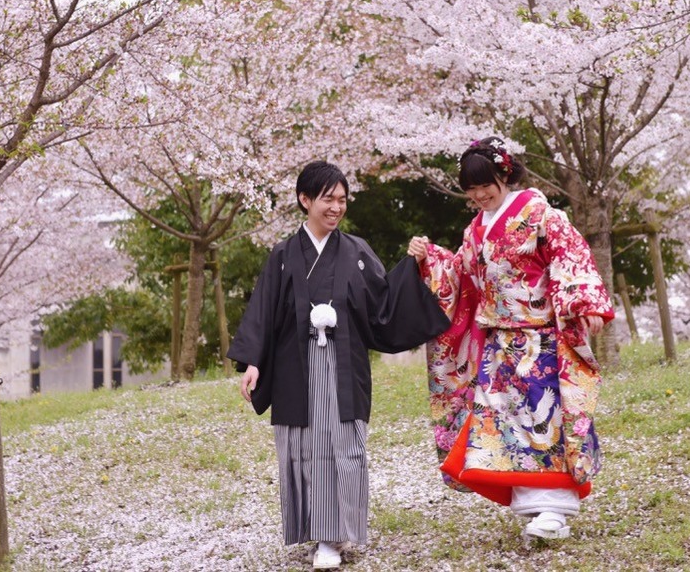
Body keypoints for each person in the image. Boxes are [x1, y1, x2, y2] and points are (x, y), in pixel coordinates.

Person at [228, 161, 449, 570]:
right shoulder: (282, 256)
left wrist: (413, 266)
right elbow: (263, 312)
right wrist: (252, 362)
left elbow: (385, 305)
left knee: (344, 446)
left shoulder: (357, 252)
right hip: (297, 366)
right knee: (304, 447)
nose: (336, 207)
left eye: (342, 200)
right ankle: (316, 531)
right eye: (327, 199)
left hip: (343, 366)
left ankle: (334, 536)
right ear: (305, 200)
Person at [407, 137, 614, 542]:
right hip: (498, 343)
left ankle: (556, 508)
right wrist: (428, 257)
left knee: (543, 416)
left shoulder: (540, 214)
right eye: (471, 189)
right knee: (506, 423)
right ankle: (535, 506)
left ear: (505, 173)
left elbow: (569, 255)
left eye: (486, 185)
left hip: (540, 337)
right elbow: (461, 275)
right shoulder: (475, 230)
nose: (479, 195)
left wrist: (583, 301)